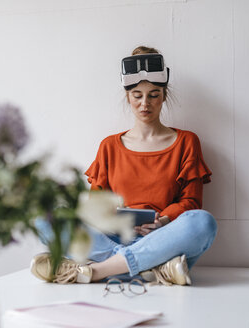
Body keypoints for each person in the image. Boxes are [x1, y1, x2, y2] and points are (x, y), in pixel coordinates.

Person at [30, 46, 217, 286]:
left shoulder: (187, 141)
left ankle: (97, 271)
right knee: (43, 219)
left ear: (164, 95)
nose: (145, 104)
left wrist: (164, 221)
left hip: (161, 238)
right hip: (113, 237)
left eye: (154, 95)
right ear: (127, 96)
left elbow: (191, 203)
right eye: (137, 95)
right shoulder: (109, 146)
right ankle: (157, 269)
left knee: (203, 223)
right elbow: (95, 207)